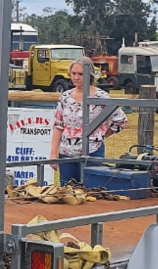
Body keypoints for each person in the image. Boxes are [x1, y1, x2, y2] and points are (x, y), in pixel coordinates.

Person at [49, 57, 127, 185]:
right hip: (66, 153)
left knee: (92, 190)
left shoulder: (101, 97)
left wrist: (102, 135)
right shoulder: (65, 97)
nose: (76, 77)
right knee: (67, 192)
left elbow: (121, 120)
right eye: (73, 73)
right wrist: (53, 154)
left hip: (92, 152)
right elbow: (58, 125)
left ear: (89, 75)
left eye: (80, 74)